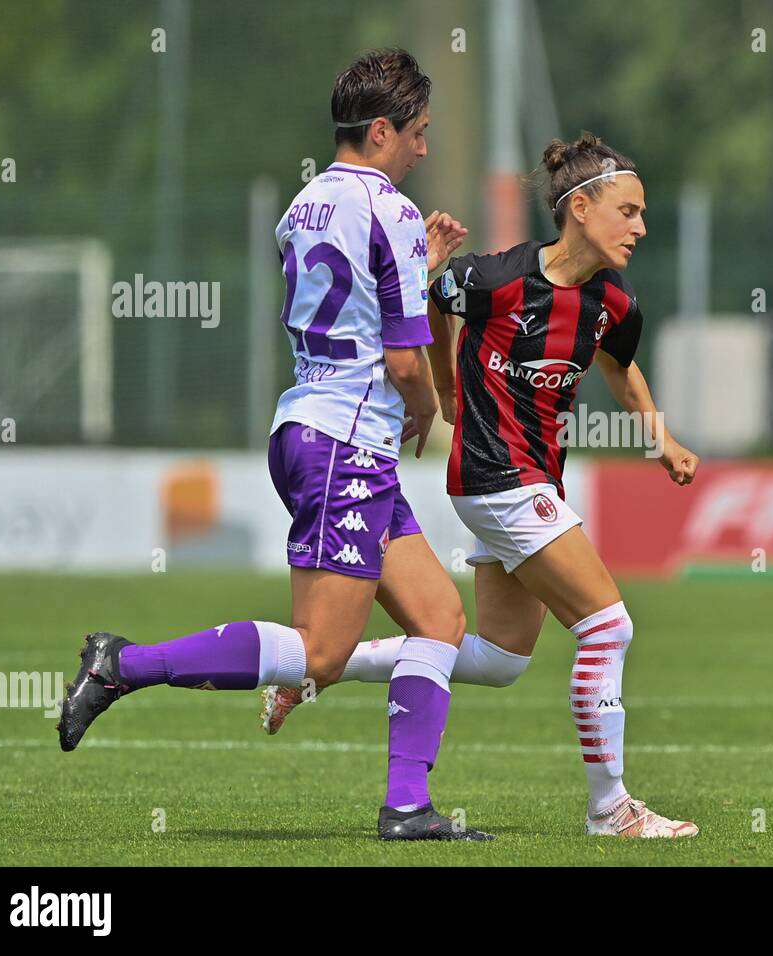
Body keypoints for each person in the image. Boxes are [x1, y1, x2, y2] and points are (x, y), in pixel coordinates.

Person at [56, 48, 493, 841]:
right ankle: (121, 664)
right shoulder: (389, 207)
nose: (425, 148)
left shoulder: (302, 206)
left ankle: (408, 807)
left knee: (438, 617)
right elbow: (400, 357)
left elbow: (351, 300)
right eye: (420, 133)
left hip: (312, 427)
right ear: (384, 129)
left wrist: (418, 264)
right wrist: (429, 406)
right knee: (322, 653)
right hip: (346, 443)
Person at [264, 132, 702, 839]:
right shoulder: (494, 279)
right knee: (608, 627)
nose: (641, 227)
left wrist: (660, 436)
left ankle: (325, 665)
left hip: (532, 482)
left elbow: (620, 367)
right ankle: (611, 810)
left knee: (498, 659)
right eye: (629, 211)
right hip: (495, 476)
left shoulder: (614, 305)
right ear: (580, 208)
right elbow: (428, 299)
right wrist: (439, 385)